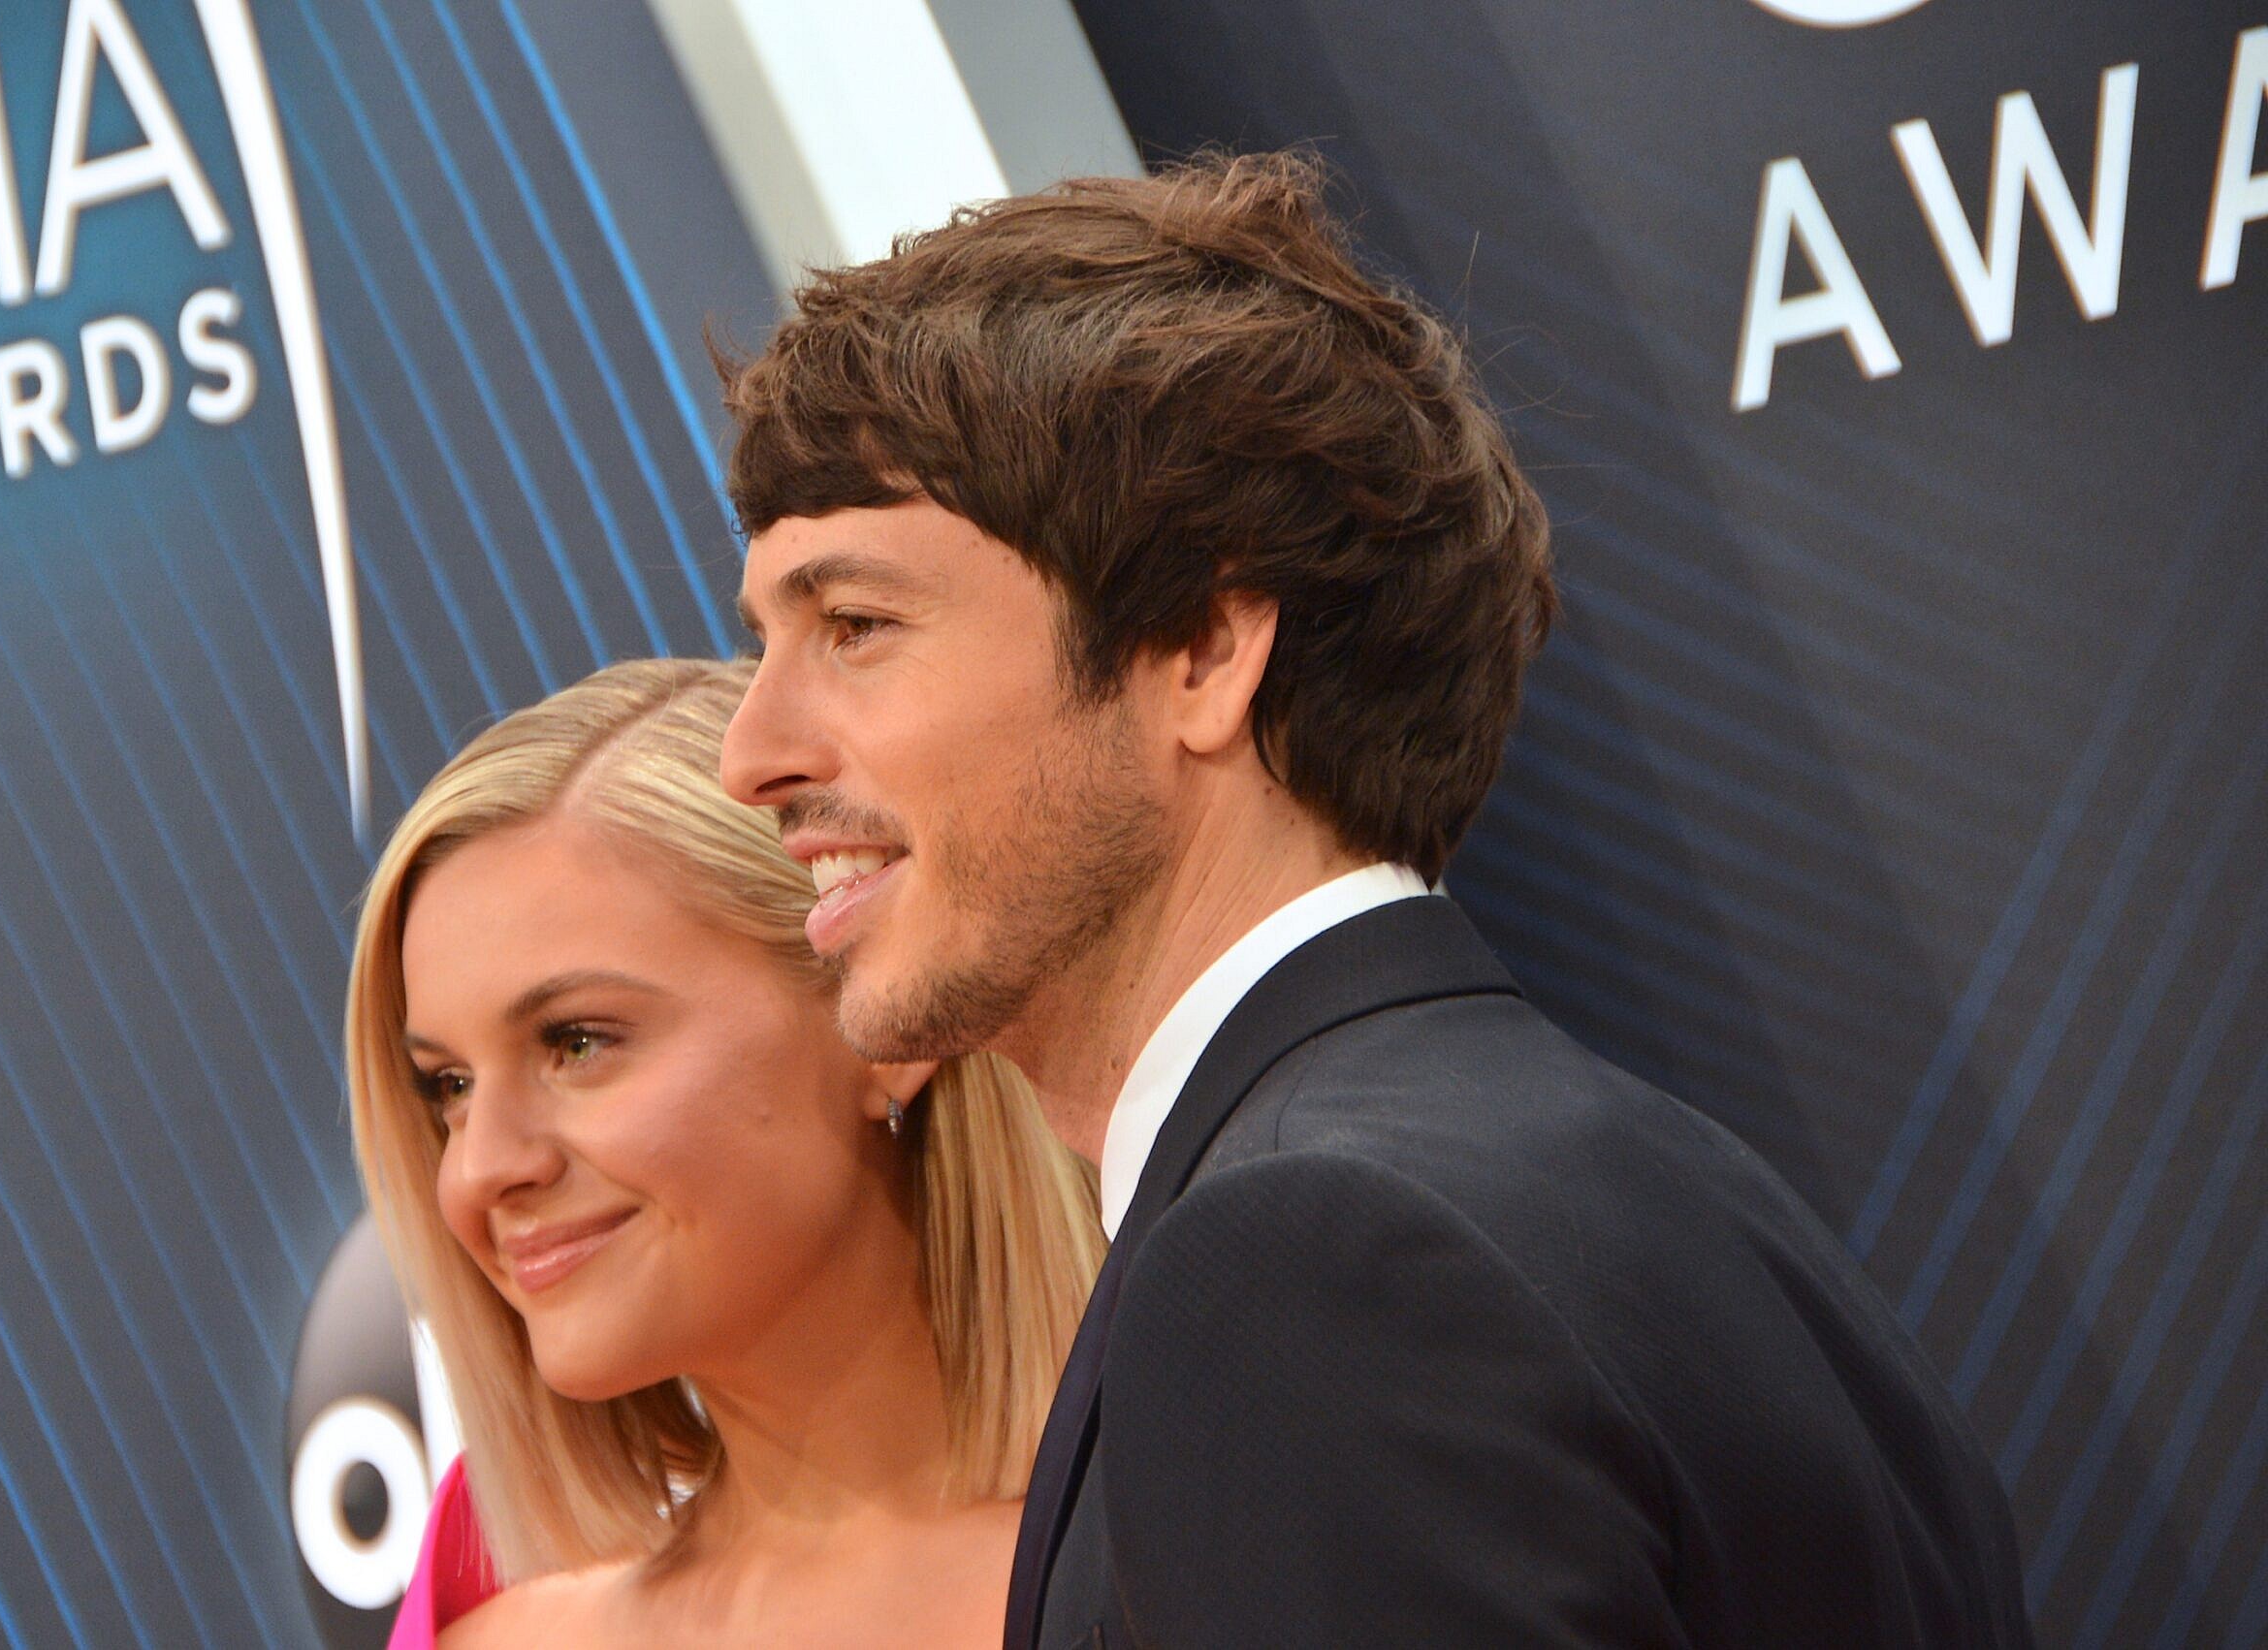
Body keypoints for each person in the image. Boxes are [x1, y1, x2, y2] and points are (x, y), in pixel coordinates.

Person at [718, 152, 2036, 1647]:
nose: (750, 752)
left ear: (1205, 650)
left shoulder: (1303, 1266)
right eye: (764, 640)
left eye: (856, 624)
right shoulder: (1679, 1193)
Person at [346, 658, 1103, 1648]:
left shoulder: (1200, 1561)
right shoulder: (477, 1629)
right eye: (449, 1086)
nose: (483, 1168)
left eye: (576, 1041)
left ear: (888, 1024)